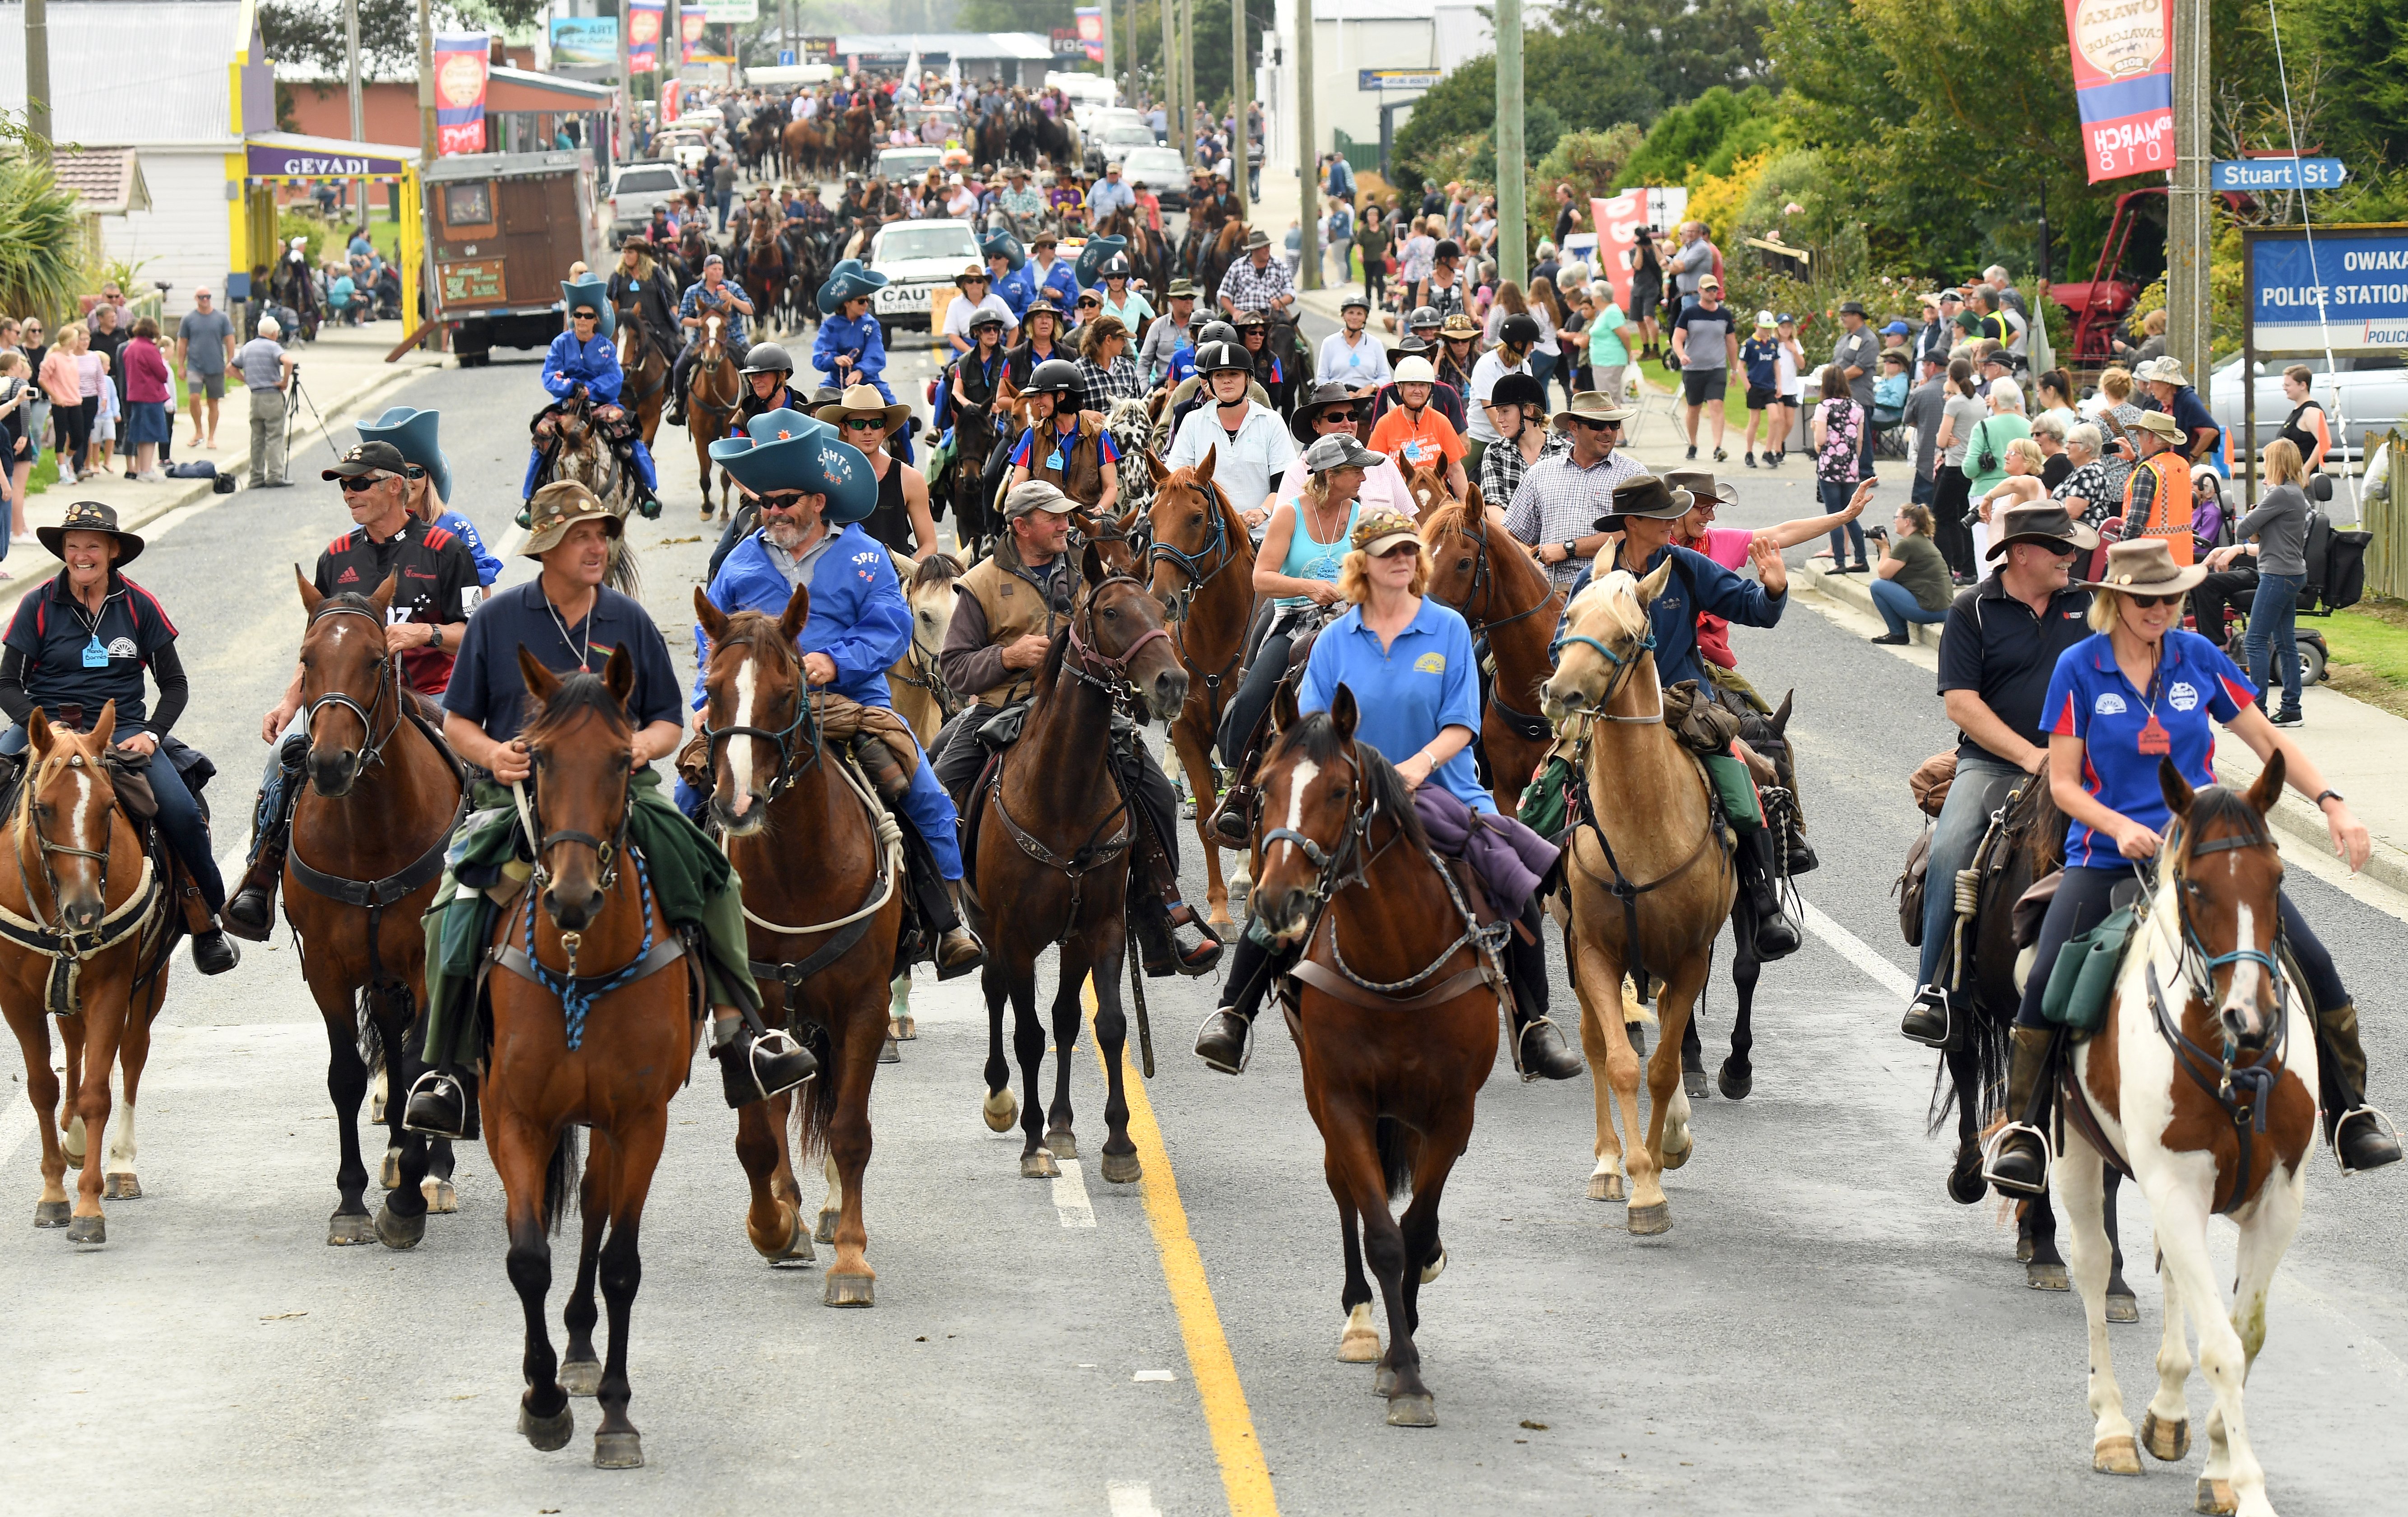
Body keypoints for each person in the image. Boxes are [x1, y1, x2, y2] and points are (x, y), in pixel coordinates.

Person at [1982, 536, 2399, 1188]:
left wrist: (2331, 802)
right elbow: (2062, 784)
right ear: (2115, 600)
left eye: (2172, 598)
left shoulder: (2197, 657)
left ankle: (2350, 1112)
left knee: (2313, 960)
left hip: (2203, 851)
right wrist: (2118, 827)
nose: (2162, 609)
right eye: (2147, 600)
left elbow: (2264, 740)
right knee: (2047, 981)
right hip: (2107, 855)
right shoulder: (2078, 667)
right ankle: (2026, 1129)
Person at [404, 482, 809, 1140]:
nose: (598, 548)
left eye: (602, 535)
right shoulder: (496, 620)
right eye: (581, 537)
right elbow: (456, 720)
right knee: (453, 906)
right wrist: (494, 755)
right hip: (519, 799)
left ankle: (743, 1034)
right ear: (546, 549)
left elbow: (668, 723)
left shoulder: (628, 620)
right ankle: (445, 1069)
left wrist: (633, 747)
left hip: (624, 794)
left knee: (714, 876)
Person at [1190, 507, 1585, 1080]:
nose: (1402, 560)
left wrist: (1417, 767)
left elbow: (1461, 725)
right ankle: (1235, 1012)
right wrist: (1360, 778)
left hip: (1445, 788)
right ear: (1363, 565)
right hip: (1350, 798)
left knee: (1511, 880)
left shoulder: (1448, 629)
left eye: (1408, 551)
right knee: (1282, 885)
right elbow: (1315, 732)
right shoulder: (1333, 643)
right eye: (1389, 553)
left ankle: (1534, 1025)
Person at [688, 409, 981, 978]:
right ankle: (678, 922)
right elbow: (714, 638)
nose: (773, 512)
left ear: (818, 501)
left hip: (851, 701)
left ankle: (947, 923)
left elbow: (892, 627)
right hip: (755, 710)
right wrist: (713, 697)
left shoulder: (865, 556)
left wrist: (833, 660)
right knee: (685, 790)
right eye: (766, 503)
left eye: (786, 501)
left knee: (925, 794)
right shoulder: (740, 563)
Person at [926, 480, 1221, 977]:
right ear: (1022, 527)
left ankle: (1159, 916)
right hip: (1003, 710)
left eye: (1067, 516)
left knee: (1158, 793)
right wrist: (1008, 657)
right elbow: (954, 668)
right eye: (1054, 517)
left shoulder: (1093, 576)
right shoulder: (978, 583)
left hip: (1089, 716)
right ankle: (937, 924)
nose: (1067, 525)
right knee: (935, 787)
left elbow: (1134, 636)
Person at [223, 438, 485, 940]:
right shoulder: (336, 557)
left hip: (435, 694)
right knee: (284, 756)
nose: (349, 493)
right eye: (345, 485)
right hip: (350, 699)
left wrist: (423, 633)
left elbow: (475, 632)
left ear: (396, 487)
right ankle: (261, 875)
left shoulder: (446, 550)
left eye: (360, 482)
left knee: (483, 765)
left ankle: (489, 882)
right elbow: (317, 649)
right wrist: (288, 701)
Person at [0, 501, 237, 973]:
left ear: (112, 552)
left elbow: (175, 685)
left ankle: (207, 919)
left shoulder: (138, 605)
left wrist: (152, 735)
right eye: (72, 546)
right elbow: (8, 682)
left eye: (92, 546)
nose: (81, 555)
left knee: (182, 813)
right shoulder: (38, 604)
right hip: (49, 731)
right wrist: (44, 731)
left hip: (122, 730)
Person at [1897, 502, 2098, 1045]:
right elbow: (1962, 704)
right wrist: (2032, 757)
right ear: (2021, 552)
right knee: (1953, 846)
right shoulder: (1973, 609)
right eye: (2061, 548)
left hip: (2083, 761)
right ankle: (1936, 989)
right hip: (1992, 763)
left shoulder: (2090, 603)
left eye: (2073, 547)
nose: (2072, 556)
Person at [1218, 428, 1384, 772]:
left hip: (1351, 620)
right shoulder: (1289, 514)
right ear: (1330, 475)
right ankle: (1238, 780)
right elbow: (1261, 578)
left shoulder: (1362, 517)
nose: (1364, 477)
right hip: (1296, 621)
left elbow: (1379, 576)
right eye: (1357, 470)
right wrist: (1308, 587)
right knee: (1252, 697)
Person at [524, 279, 662, 517]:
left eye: (588, 316)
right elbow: (549, 375)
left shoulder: (607, 348)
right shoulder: (560, 344)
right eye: (578, 315)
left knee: (627, 434)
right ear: (573, 317)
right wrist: (570, 387)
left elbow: (615, 378)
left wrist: (590, 389)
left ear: (596, 320)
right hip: (567, 405)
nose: (582, 320)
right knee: (543, 436)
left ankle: (646, 490)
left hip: (601, 404)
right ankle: (530, 500)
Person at [2207, 436, 2313, 726]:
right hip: (2291, 573)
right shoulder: (2294, 493)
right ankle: (2292, 708)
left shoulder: (2280, 494)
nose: (2265, 467)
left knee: (2255, 641)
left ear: (2276, 463)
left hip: (2278, 574)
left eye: (2267, 461)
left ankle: (2256, 711)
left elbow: (2244, 529)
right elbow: (2258, 535)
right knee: (2285, 641)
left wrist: (2254, 512)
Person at [1503, 390, 1643, 591]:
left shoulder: (1633, 474)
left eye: (1614, 425)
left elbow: (1637, 534)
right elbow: (1513, 538)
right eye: (1597, 425)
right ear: (1574, 428)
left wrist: (1568, 549)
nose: (1608, 432)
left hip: (1611, 590)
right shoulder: (1540, 473)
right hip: (1550, 590)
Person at [1166, 340, 1294, 539]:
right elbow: (1176, 480)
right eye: (1219, 375)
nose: (1227, 381)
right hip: (1207, 538)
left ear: (1249, 379)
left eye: (1234, 374)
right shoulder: (1193, 422)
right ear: (1210, 382)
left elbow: (1284, 482)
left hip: (1261, 535)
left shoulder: (1272, 422)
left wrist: (1264, 511)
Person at [814, 385, 937, 564]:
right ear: (844, 429)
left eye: (876, 424)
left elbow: (929, 544)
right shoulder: (825, 479)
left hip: (896, 586)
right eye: (858, 424)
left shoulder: (910, 479)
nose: (868, 431)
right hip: (840, 586)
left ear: (885, 429)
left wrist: (907, 577)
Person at [1005, 357, 1120, 512]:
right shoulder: (1032, 435)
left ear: (1061, 396)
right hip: (1044, 521)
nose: (1036, 402)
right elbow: (1016, 484)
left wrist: (1100, 509)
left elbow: (1111, 487)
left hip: (1086, 520)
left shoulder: (1099, 436)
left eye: (1041, 395)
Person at [666, 254, 756, 427]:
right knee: (679, 368)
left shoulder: (732, 288)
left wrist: (732, 299)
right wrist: (699, 323)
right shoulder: (693, 291)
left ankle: (757, 405)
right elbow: (682, 318)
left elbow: (750, 310)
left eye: (720, 269)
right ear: (705, 271)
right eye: (714, 269)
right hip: (702, 340)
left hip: (733, 338)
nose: (718, 272)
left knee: (755, 364)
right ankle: (679, 405)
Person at [1364, 355, 1468, 503]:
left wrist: (1466, 506)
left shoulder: (1441, 422)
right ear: (1400, 389)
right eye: (1412, 384)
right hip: (1398, 499)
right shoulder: (1385, 424)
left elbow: (1455, 469)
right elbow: (1374, 472)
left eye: (1423, 385)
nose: (1417, 391)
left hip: (1438, 499)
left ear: (1430, 389)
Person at [1808, 365, 1872, 572]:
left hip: (1829, 467)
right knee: (1850, 513)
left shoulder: (1824, 407)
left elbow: (1820, 441)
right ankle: (1861, 558)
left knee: (1834, 516)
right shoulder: (1857, 407)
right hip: (1851, 467)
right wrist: (1852, 459)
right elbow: (1860, 441)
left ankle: (1839, 562)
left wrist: (1817, 434)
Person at [1461, 313, 1538, 481]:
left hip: (1516, 435)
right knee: (1455, 478)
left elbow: (1531, 405)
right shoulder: (1487, 364)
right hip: (1482, 436)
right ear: (1519, 344)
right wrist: (1511, 441)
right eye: (1531, 342)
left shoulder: (1524, 366)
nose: (1533, 347)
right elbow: (1491, 411)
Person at [1670, 276, 1737, 463]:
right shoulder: (1690, 313)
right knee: (1694, 408)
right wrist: (1681, 354)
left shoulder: (1724, 315)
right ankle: (1693, 444)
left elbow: (1731, 342)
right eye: (1708, 289)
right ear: (1700, 290)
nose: (1712, 293)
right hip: (1693, 369)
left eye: (1715, 289)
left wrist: (1734, 369)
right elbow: (1677, 338)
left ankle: (1717, 447)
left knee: (1717, 404)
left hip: (1717, 368)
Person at [2119, 409, 2196, 568]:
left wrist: (2120, 550)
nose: (2137, 439)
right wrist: (2135, 461)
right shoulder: (2181, 464)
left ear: (2151, 437)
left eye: (2139, 434)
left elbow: (2135, 523)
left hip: (2150, 561)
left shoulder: (2148, 471)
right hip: (2182, 558)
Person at [1868, 501, 1953, 644]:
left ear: (1907, 522)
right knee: (1889, 583)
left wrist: (1884, 548)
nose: (1894, 521)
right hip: (1944, 609)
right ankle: (1898, 633)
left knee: (1878, 586)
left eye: (1897, 517)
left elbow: (1883, 574)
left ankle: (1898, 633)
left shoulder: (1907, 544)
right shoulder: (1920, 540)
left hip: (1929, 611)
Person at [811, 258, 894, 404]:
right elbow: (819, 357)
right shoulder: (830, 326)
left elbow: (876, 355)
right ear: (847, 302)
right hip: (836, 382)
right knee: (817, 410)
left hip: (869, 381)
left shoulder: (872, 324)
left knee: (895, 411)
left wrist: (860, 371)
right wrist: (835, 359)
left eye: (868, 300)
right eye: (861, 301)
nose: (866, 304)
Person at [1477, 372, 1557, 511]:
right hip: (1507, 532)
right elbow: (1493, 506)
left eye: (1505, 411)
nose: (1499, 419)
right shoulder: (1495, 452)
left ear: (1529, 410)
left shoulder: (1564, 451)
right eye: (1498, 412)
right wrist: (1512, 534)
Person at [175, 287, 235, 451]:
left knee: (213, 402)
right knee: (194, 398)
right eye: (202, 297)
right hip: (195, 365)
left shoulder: (221, 318)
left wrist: (231, 363)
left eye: (208, 297)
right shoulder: (189, 319)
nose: (205, 300)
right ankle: (198, 432)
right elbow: (182, 342)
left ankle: (211, 437)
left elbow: (230, 340)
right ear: (196, 298)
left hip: (216, 365)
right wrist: (181, 366)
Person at [2136, 356, 2220, 465]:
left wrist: (2192, 457)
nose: (2149, 386)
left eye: (2153, 381)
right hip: (2166, 464)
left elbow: (2210, 431)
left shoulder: (2187, 400)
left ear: (2167, 384)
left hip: (2179, 467)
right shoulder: (2164, 402)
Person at [119, 318, 172, 483]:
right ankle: (147, 470)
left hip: (135, 394)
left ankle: (143, 468)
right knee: (150, 434)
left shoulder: (130, 348)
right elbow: (163, 374)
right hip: (151, 394)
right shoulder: (149, 349)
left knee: (141, 433)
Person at [1316, 293, 1390, 396]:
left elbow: (1385, 377)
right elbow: (1321, 378)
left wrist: (1371, 388)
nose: (1355, 317)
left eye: (1360, 314)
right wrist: (1341, 393)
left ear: (1365, 318)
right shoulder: (1329, 343)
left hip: (1367, 396)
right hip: (1336, 397)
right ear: (1343, 316)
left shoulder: (1376, 344)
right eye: (1351, 313)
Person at [1585, 283, 1639, 411]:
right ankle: (1614, 429)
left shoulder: (1611, 312)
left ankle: (1616, 430)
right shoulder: (1604, 312)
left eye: (1593, 294)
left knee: (1609, 400)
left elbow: (1625, 335)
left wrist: (1629, 353)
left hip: (1610, 361)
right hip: (1602, 361)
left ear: (1599, 297)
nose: (1591, 297)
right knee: (1606, 399)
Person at [1739, 313, 1782, 469]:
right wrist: (1747, 385)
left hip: (1769, 386)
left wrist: (1780, 385)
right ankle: (1749, 452)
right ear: (1757, 326)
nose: (1767, 332)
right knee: (1755, 420)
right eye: (1764, 328)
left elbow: (1776, 364)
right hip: (1755, 386)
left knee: (1775, 418)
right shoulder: (1749, 344)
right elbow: (1740, 366)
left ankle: (1768, 451)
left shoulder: (1773, 343)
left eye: (1769, 329)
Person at [1139, 279, 1199, 387]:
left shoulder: (1201, 327)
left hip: (1195, 384)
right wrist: (1145, 391)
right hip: (1164, 384)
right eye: (1184, 298)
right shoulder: (1158, 326)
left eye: (1192, 298)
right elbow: (1144, 363)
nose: (1189, 301)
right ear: (1171, 300)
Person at [1004, 298, 1069, 392]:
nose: (1044, 321)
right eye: (1039, 317)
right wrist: (1028, 405)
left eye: (1049, 317)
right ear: (1030, 323)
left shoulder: (1070, 355)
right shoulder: (1014, 357)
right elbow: (1002, 398)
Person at [2275, 364, 2331, 476]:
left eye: (2288, 385)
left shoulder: (2311, 411)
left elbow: (2325, 442)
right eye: (2284, 385)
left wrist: (2306, 470)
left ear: (2303, 385)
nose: (2284, 388)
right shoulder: (2298, 410)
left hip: (2302, 480)